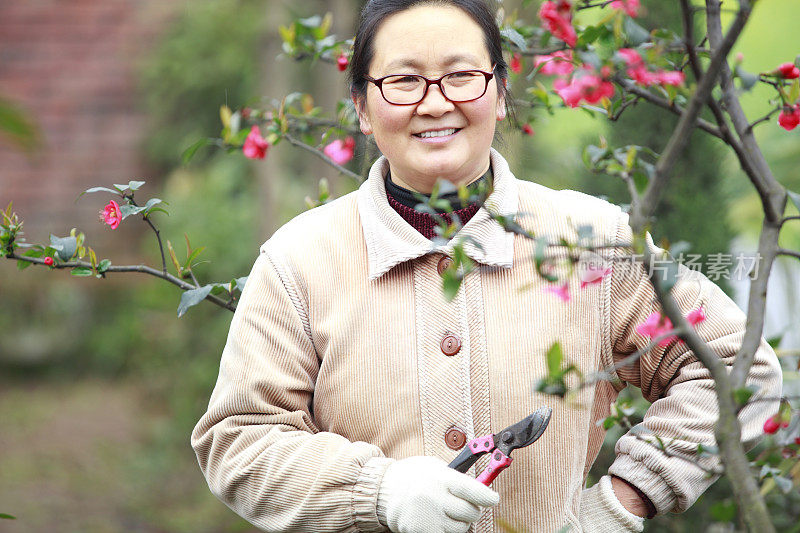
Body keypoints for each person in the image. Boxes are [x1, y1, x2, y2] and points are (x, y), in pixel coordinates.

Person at [191, 1, 782, 531]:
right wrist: (379, 491)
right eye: (402, 80)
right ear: (362, 109)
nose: (435, 102)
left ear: (499, 93)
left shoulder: (589, 242)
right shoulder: (300, 260)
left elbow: (738, 368)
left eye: (461, 76)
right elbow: (239, 441)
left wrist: (617, 505)